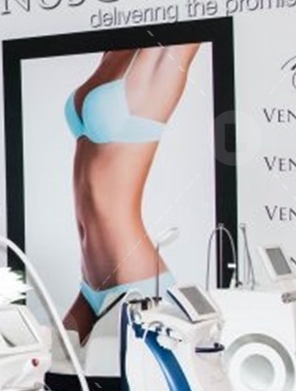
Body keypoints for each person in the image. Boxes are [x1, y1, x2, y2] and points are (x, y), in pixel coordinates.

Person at [61, 44, 202, 347]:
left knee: (142, 382)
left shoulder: (164, 52)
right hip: (90, 286)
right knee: (47, 367)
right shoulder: (110, 49)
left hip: (136, 283)